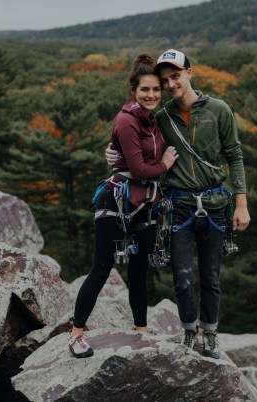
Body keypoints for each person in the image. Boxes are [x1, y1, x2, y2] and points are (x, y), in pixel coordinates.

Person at [107, 49, 250, 359]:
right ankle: (189, 332)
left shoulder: (219, 110)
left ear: (189, 73)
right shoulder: (161, 118)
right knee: (182, 278)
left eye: (175, 76)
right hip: (178, 206)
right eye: (165, 80)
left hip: (214, 204)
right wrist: (114, 153)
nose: (171, 84)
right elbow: (136, 142)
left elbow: (235, 155)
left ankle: (210, 334)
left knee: (211, 277)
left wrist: (241, 203)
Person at [68, 54, 179, 358]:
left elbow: (140, 161)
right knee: (101, 268)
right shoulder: (126, 120)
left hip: (145, 203)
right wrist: (164, 165)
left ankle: (141, 329)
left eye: (156, 89)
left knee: (139, 270)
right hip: (116, 200)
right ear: (133, 90)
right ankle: (76, 333)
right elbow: (140, 170)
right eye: (145, 90)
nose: (151, 95)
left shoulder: (153, 119)